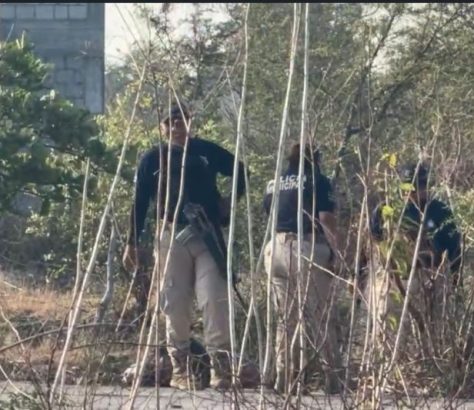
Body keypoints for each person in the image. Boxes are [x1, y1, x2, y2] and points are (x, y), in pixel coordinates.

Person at [122, 103, 246, 390]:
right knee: (174, 303)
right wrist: (132, 242)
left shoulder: (206, 151)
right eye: (171, 122)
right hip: (171, 234)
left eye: (183, 120)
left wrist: (228, 203)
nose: (178, 126)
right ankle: (180, 369)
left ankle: (222, 370)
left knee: (214, 299)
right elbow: (140, 201)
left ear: (191, 122)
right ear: (163, 127)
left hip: (207, 234)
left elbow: (241, 172)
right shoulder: (152, 158)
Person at [263, 143, 344, 395]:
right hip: (305, 248)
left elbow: (269, 213)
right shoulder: (319, 181)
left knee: (285, 319)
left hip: (275, 249)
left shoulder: (275, 182)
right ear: (315, 159)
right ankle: (333, 378)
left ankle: (284, 377)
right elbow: (325, 219)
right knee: (321, 316)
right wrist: (337, 253)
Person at [368, 163, 462, 355]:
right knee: (388, 330)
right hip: (393, 279)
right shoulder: (386, 209)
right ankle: (390, 363)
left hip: (429, 277)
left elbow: (454, 249)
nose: (413, 193)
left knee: (432, 330)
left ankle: (431, 361)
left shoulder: (439, 211)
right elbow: (373, 240)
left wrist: (454, 282)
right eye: (409, 187)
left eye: (418, 187)